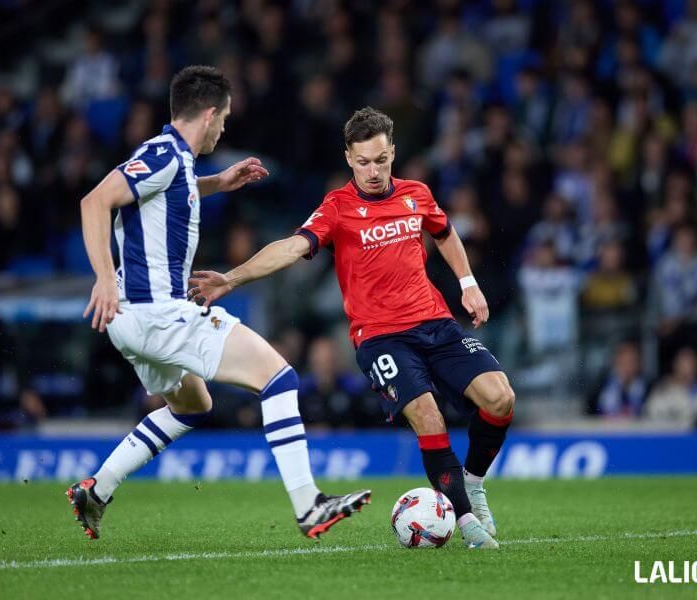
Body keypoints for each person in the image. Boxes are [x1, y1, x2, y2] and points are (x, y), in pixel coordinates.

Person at [188, 107, 515, 550]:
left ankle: (472, 486)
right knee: (427, 413)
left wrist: (468, 283)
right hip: (381, 337)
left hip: (436, 323)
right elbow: (289, 247)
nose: (374, 171)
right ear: (349, 159)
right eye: (364, 162)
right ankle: (466, 522)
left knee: (500, 398)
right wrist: (232, 277)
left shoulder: (416, 194)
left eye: (381, 160)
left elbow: (443, 231)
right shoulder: (337, 208)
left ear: (392, 153)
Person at [73, 66, 369, 541]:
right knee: (279, 377)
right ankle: (309, 504)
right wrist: (103, 278)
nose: (225, 127)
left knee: (191, 405)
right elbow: (94, 202)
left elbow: (160, 193)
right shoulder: (164, 153)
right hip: (156, 312)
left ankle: (98, 487)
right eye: (225, 117)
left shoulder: (175, 162)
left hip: (132, 321)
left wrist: (218, 181)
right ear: (209, 114)